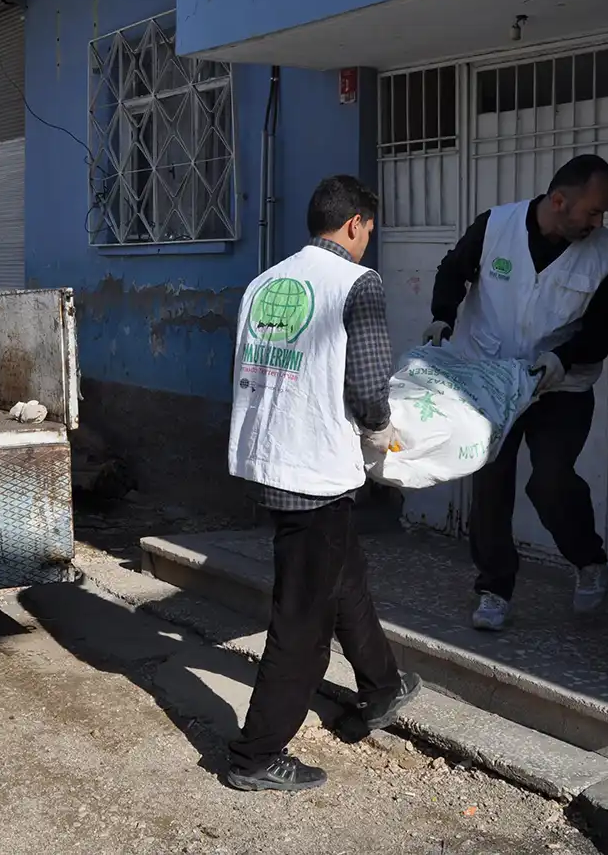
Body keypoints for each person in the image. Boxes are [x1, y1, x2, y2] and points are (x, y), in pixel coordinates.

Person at [225, 175, 422, 793]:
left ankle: (382, 688)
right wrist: (388, 432)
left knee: (344, 581)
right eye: (371, 231)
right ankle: (255, 756)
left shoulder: (265, 281)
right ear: (356, 224)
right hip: (314, 469)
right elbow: (367, 391)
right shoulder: (356, 285)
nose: (370, 242)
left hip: (272, 457)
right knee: (302, 623)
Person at [423, 154, 608, 632]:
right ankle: (494, 588)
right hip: (492, 379)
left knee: (551, 479)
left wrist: (565, 357)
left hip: (560, 384)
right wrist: (442, 315)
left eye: (603, 214)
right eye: (593, 212)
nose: (599, 222)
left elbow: (607, 322)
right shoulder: (496, 225)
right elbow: (454, 271)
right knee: (490, 482)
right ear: (559, 201)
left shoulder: (602, 251)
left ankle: (588, 559)